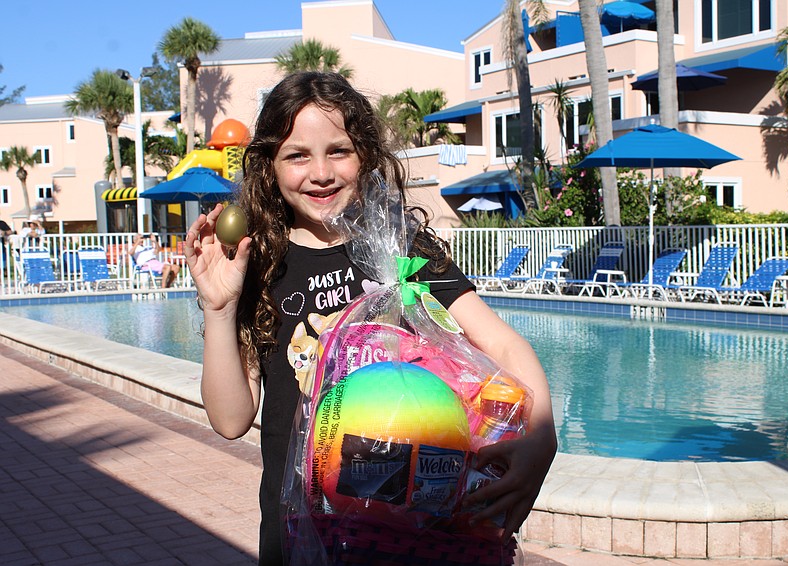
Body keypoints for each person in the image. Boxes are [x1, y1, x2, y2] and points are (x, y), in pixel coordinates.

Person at [184, 72, 557, 565]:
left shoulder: (403, 252)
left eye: (338, 150)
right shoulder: (260, 265)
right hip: (300, 536)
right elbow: (231, 420)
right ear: (269, 166)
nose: (320, 172)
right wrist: (220, 307)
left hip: (411, 536)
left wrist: (542, 438)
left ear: (365, 155)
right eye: (297, 155)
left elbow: (504, 348)